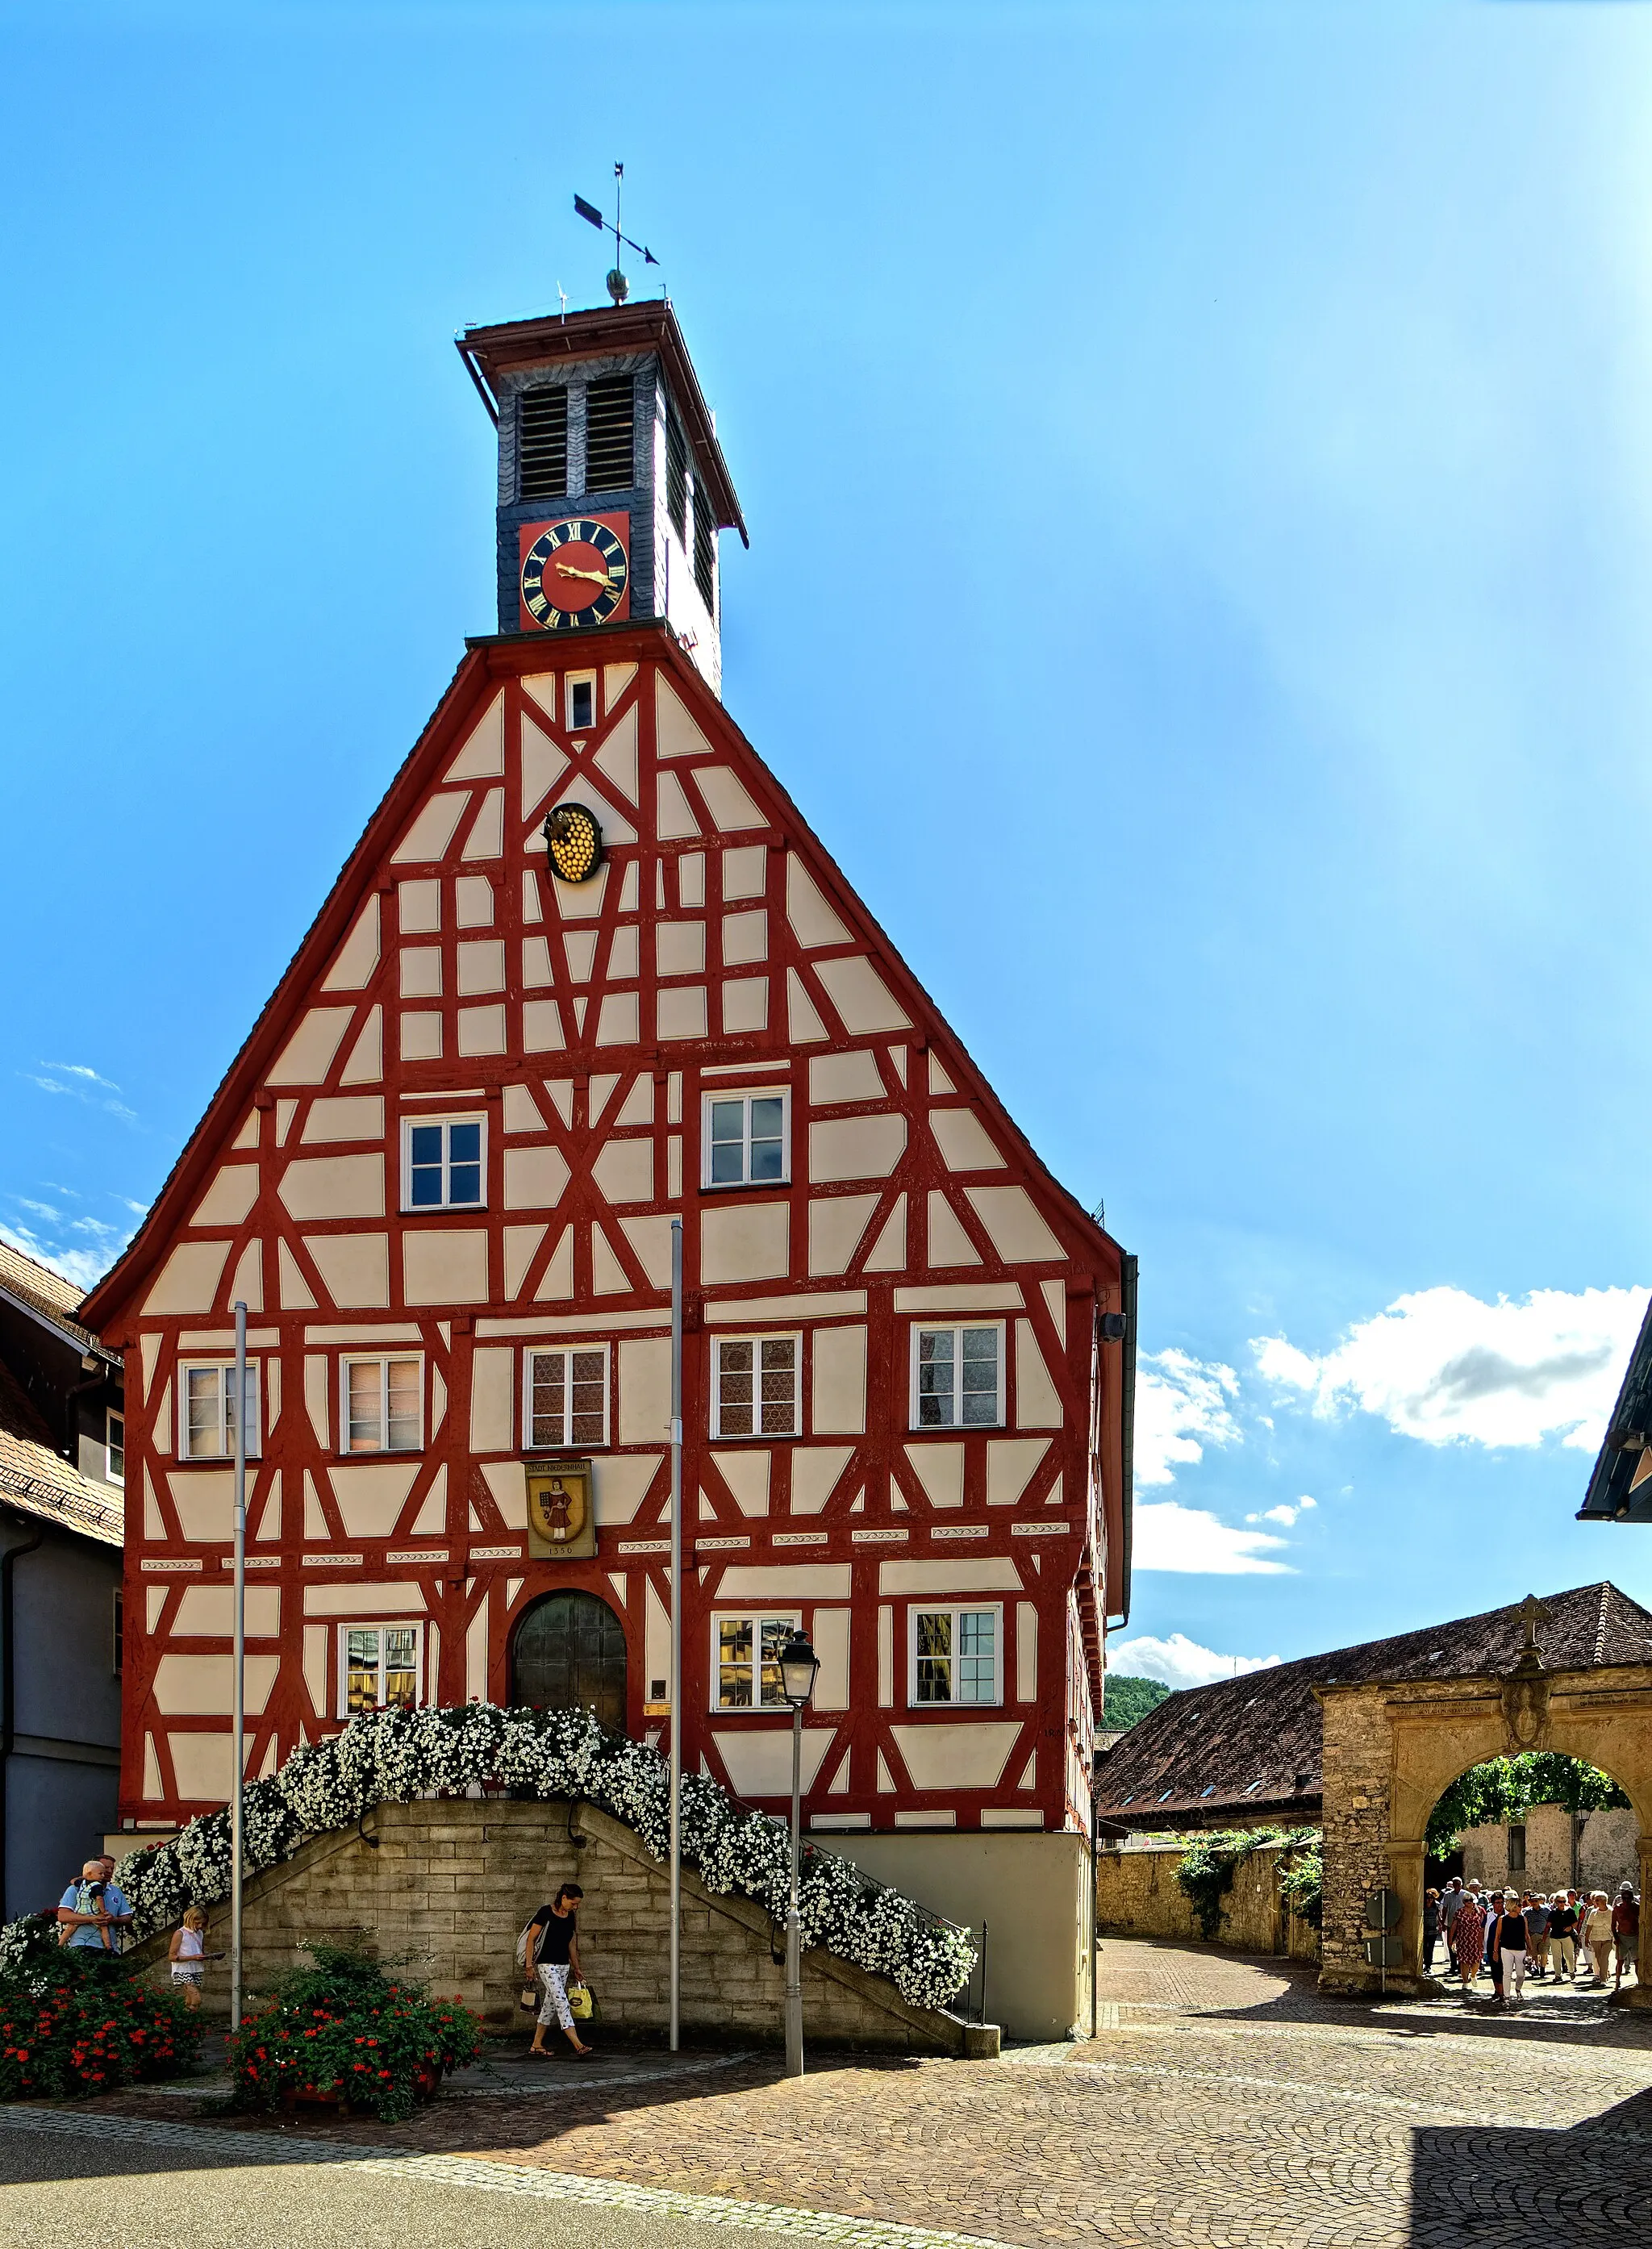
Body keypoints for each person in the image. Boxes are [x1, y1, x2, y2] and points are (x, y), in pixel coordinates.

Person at [525, 1882, 593, 2059]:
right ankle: (578, 2045)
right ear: (564, 1898)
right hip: (546, 1965)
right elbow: (531, 1939)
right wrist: (529, 1965)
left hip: (563, 1966)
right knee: (562, 2002)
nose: (576, 1907)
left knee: (549, 2006)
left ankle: (536, 2044)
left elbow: (571, 1943)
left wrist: (576, 1968)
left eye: (578, 1904)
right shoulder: (545, 1913)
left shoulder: (570, 1916)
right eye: (573, 1903)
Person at [56, 1860, 119, 1958]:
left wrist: (83, 1877)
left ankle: (60, 1944)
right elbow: (99, 1899)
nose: (104, 1875)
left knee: (70, 1928)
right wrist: (103, 1912)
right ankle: (109, 1947)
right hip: (92, 1911)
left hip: (81, 1909)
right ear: (91, 1873)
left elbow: (73, 1881)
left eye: (111, 1869)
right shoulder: (97, 1886)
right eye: (101, 1873)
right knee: (104, 1927)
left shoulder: (82, 1883)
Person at [166, 1907, 222, 2009]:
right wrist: (193, 1957)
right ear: (190, 1919)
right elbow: (172, 1956)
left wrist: (207, 1957)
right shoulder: (180, 1933)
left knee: (190, 2000)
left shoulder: (199, 1933)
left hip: (196, 1969)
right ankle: (185, 2018)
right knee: (196, 1999)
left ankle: (187, 2020)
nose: (200, 1926)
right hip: (183, 1970)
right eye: (198, 1923)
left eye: (203, 1924)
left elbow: (197, 1951)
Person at [1489, 1892, 1529, 2005]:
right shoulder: (1503, 1919)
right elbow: (1497, 1936)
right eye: (1519, 1905)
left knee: (1521, 1974)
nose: (1521, 1907)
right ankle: (1506, 1996)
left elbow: (1526, 1935)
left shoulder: (1523, 1919)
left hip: (1520, 1949)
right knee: (1507, 1973)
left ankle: (1518, 1989)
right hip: (1506, 1949)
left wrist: (1531, 1950)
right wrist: (1495, 1951)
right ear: (1514, 1906)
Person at [1454, 1888, 1486, 2000]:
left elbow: (1485, 1924)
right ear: (1464, 1902)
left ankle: (1473, 1975)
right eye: (1467, 1900)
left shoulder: (1480, 1911)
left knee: (1476, 1960)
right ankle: (1465, 1982)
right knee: (1464, 1961)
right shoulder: (1459, 1912)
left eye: (1471, 1900)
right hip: (1463, 1939)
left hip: (1476, 1939)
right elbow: (1454, 1926)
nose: (1469, 1902)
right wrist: (1451, 1940)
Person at [1612, 1883, 1639, 1992]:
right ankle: (1617, 1980)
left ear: (1632, 1898)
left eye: (1628, 1898)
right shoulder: (1617, 1909)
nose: (1626, 1900)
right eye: (1624, 1898)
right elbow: (1613, 1925)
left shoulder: (1637, 1908)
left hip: (1635, 1936)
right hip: (1622, 1936)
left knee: (1637, 1961)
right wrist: (1616, 1938)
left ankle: (1639, 1980)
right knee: (1620, 1961)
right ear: (1621, 1898)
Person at [1582, 1891, 1613, 1981]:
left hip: (1608, 1938)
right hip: (1595, 1938)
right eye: (1595, 1900)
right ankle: (1605, 1973)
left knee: (1604, 1957)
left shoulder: (1611, 1912)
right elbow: (1589, 1926)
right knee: (1599, 1958)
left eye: (1597, 1900)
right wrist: (1586, 1938)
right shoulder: (1593, 1912)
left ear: (1604, 1901)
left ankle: (1602, 1979)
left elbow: (1615, 1925)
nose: (1595, 1902)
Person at [1550, 1892, 1578, 1983]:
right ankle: (1558, 1975)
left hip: (1567, 1936)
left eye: (1563, 1901)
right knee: (1556, 1957)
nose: (1562, 1903)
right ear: (1556, 1902)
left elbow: (1575, 1922)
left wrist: (1571, 1927)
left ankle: (1571, 1971)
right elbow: (1548, 1924)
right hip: (1554, 1936)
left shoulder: (1570, 1911)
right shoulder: (1553, 1913)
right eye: (1559, 1901)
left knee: (1569, 1955)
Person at [1440, 1878, 1466, 1977]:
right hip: (1451, 1923)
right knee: (1450, 1944)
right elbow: (1445, 1908)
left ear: (1461, 1885)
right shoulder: (1448, 1895)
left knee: (1461, 1945)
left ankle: (1461, 1966)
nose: (1457, 1886)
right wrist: (1443, 1922)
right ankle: (1453, 1965)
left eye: (1458, 1884)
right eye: (1455, 1884)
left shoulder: (1465, 1895)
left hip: (1463, 1924)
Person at [1525, 1892, 1550, 1980]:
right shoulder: (1527, 1912)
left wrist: (1546, 1933)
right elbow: (1526, 1924)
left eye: (1536, 1901)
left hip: (1545, 1934)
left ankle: (1542, 1969)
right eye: (1532, 1901)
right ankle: (1536, 1968)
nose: (1534, 1902)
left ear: (1539, 1901)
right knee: (1534, 1953)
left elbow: (1550, 1922)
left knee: (1544, 1952)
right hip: (1533, 1935)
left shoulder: (1546, 1910)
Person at [1422, 1888, 1440, 1976]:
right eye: (1428, 1898)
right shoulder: (1422, 1906)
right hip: (1424, 1930)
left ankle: (1429, 1965)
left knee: (1431, 1948)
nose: (1429, 1900)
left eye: (1431, 1898)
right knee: (1425, 1948)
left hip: (1433, 1930)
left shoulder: (1436, 1906)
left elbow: (1439, 1916)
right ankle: (1426, 1963)